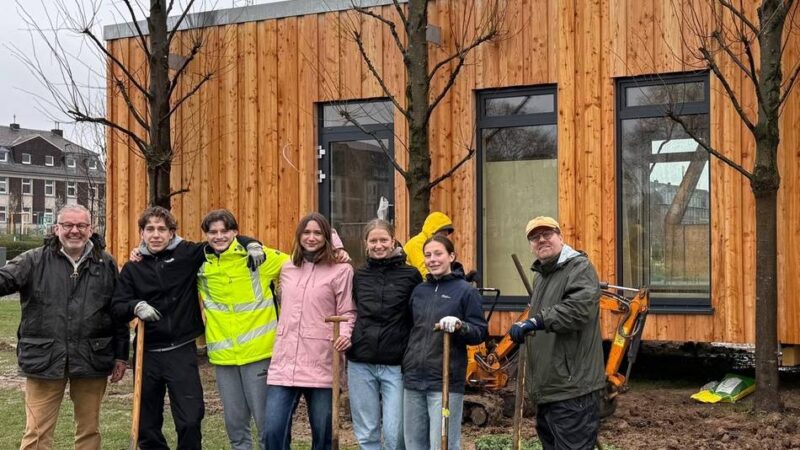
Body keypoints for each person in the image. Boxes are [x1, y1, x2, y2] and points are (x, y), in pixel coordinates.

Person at [111, 206, 265, 450]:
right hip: (148, 352)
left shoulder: (187, 254)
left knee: (190, 418)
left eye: (162, 229)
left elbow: (221, 241)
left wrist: (252, 244)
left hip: (181, 350)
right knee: (146, 423)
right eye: (150, 229)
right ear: (141, 233)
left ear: (172, 233)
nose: (156, 234)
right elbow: (117, 306)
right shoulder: (133, 268)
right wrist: (136, 306)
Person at [0, 204, 128, 450]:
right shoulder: (33, 260)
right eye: (68, 225)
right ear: (56, 228)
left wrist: (121, 355)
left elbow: (118, 312)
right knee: (37, 434)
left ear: (91, 229)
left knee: (89, 432)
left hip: (92, 358)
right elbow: (5, 279)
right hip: (44, 359)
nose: (74, 231)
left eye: (81, 225)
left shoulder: (106, 263)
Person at [508, 216, 605, 450]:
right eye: (534, 237)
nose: (541, 240)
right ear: (531, 245)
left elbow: (578, 309)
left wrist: (536, 321)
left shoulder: (579, 268)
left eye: (547, 234)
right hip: (549, 390)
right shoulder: (542, 276)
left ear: (560, 237)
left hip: (572, 389)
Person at [196, 209, 289, 450]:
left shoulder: (258, 257)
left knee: (266, 425)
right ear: (205, 235)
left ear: (235, 232)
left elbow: (299, 262)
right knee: (235, 425)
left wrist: (337, 253)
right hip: (224, 356)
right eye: (213, 232)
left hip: (259, 353)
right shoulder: (201, 265)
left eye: (224, 231)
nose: (219, 236)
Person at [262, 212, 356, 450]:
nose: (311, 238)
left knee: (323, 435)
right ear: (299, 236)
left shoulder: (341, 270)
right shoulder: (287, 268)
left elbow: (347, 311)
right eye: (306, 232)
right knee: (272, 430)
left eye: (318, 233)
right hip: (285, 362)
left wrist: (345, 335)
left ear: (326, 237)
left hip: (322, 361)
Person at [402, 235, 487, 450]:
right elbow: (410, 329)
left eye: (438, 253)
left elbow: (480, 332)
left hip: (445, 381)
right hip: (413, 379)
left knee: (443, 445)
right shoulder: (419, 291)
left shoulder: (466, 291)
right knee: (413, 444)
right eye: (428, 255)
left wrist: (461, 326)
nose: (432, 259)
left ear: (451, 256)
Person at [346, 219, 422, 450]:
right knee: (366, 430)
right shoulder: (359, 275)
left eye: (383, 240)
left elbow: (417, 315)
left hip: (395, 363)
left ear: (393, 241)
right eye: (373, 241)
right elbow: (352, 310)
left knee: (394, 432)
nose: (378, 245)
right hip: (361, 361)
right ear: (365, 243)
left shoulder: (410, 275)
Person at [403, 211, 454, 278]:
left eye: (446, 235)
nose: (444, 238)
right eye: (442, 234)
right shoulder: (416, 244)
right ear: (433, 231)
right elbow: (423, 271)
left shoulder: (432, 244)